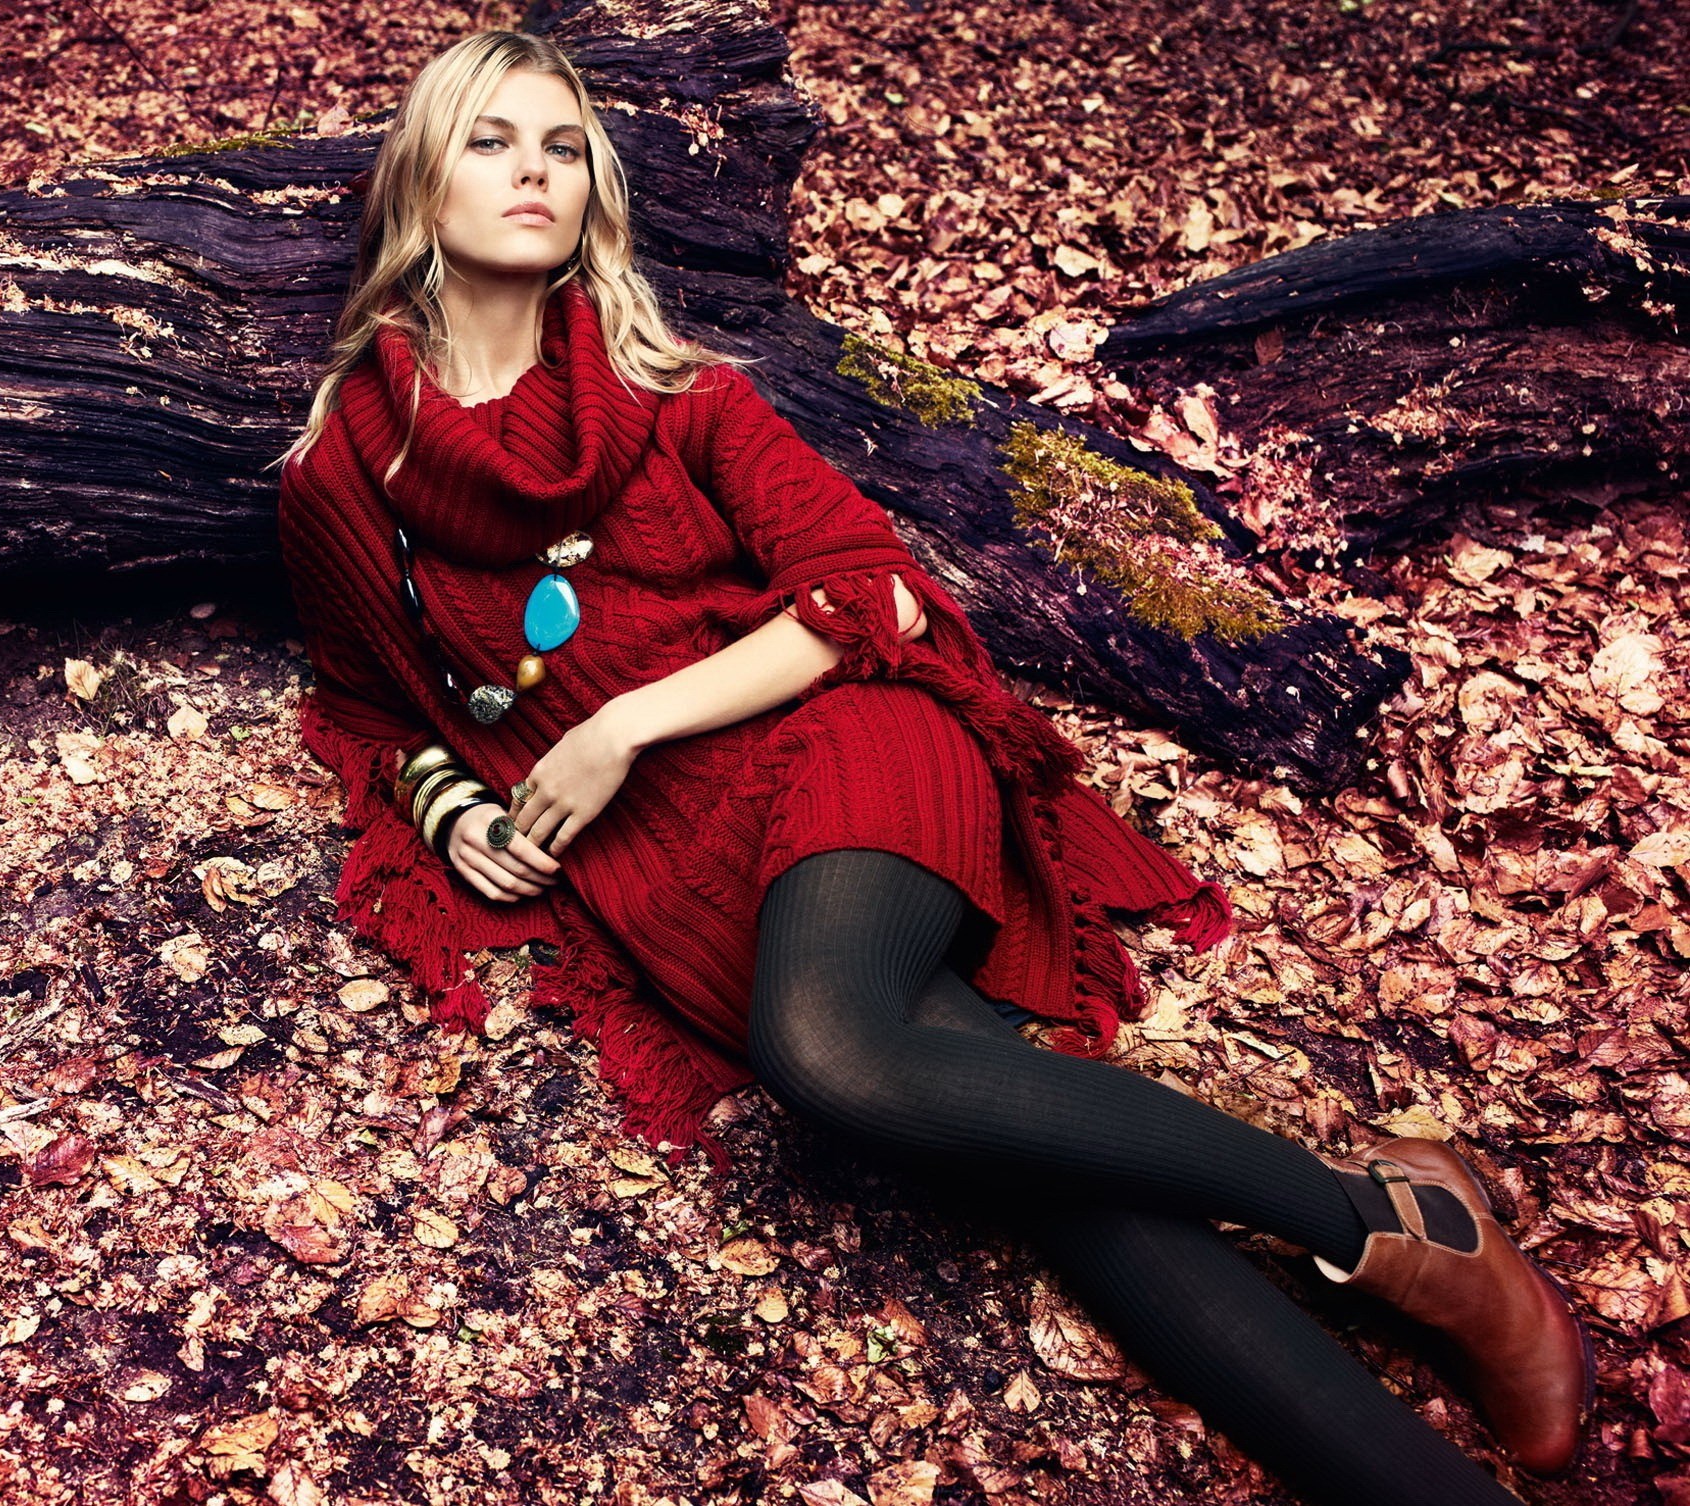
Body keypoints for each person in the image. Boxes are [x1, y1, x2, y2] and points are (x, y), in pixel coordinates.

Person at [270, 29, 1592, 1506]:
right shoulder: (346, 477)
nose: (534, 172)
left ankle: (1367, 1219)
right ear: (420, 179)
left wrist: (618, 723)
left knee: (830, 1051)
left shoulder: (679, 398)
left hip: (845, 748)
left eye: (562, 146)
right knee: (1054, 1181)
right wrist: (453, 803)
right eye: (492, 140)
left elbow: (871, 594)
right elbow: (368, 705)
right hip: (672, 865)